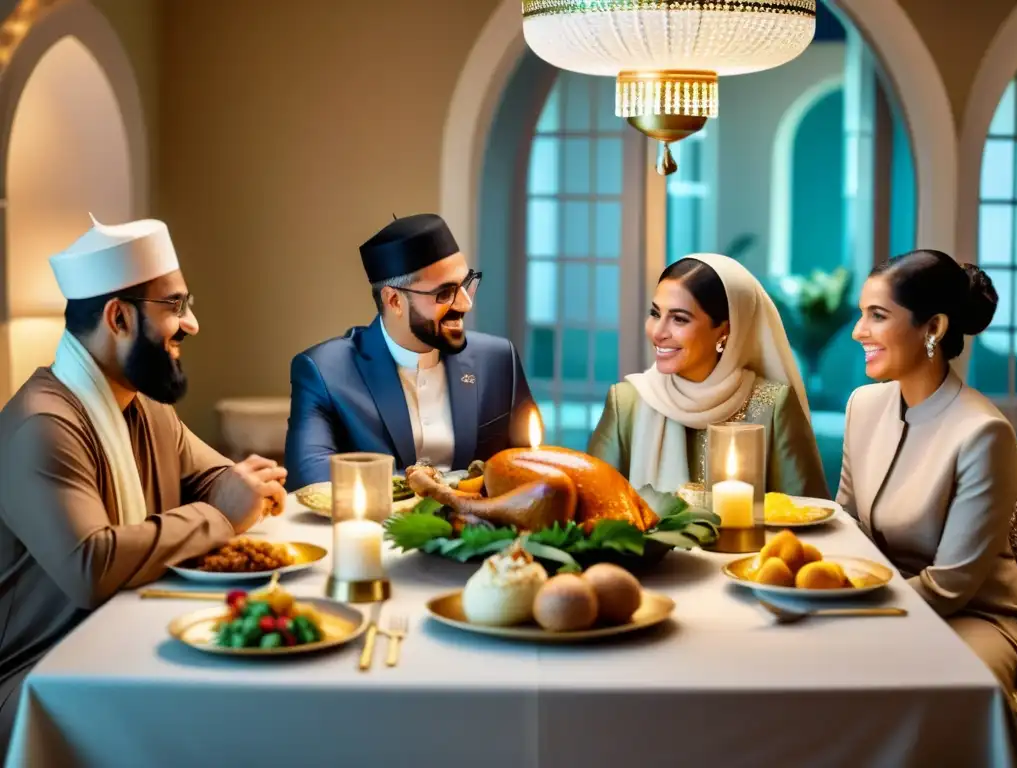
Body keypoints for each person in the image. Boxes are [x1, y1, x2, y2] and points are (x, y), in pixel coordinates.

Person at [0, 216, 287, 753]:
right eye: (175, 307)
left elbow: (216, 477)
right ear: (118, 318)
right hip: (39, 680)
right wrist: (221, 516)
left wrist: (238, 490)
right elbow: (93, 565)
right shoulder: (43, 425)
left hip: (123, 645)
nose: (192, 324)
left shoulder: (145, 406)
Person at [839, 248, 1017, 698]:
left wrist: (848, 609)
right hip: (876, 601)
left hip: (975, 619)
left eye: (877, 316)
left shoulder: (984, 434)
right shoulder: (862, 406)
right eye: (862, 314)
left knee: (932, 689)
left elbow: (949, 587)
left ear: (934, 328)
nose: (858, 332)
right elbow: (845, 526)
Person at [284, 213, 536, 490]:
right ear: (394, 301)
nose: (465, 304)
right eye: (444, 293)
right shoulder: (324, 371)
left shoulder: (499, 360)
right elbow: (311, 481)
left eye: (467, 284)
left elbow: (531, 468)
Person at [588, 253, 829, 499]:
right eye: (655, 313)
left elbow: (808, 513)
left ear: (724, 331)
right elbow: (593, 506)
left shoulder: (771, 404)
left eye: (679, 319)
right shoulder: (628, 402)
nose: (658, 332)